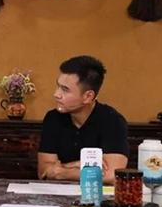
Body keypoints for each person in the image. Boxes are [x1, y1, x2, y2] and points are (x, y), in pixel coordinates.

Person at [38, 55, 128, 184]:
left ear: (88, 96)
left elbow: (111, 175)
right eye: (58, 86)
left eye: (65, 90)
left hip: (96, 194)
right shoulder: (53, 118)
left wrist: (61, 171)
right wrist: (81, 165)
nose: (56, 94)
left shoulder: (112, 121)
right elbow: (44, 172)